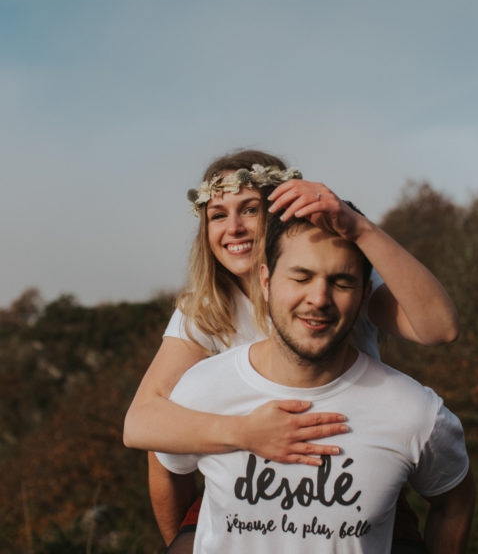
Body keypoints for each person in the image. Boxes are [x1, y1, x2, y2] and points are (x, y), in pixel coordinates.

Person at [123, 150, 460, 549]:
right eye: (217, 215)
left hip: (349, 479)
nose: (233, 227)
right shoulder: (206, 309)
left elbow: (440, 327)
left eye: (249, 209)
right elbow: (144, 423)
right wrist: (243, 434)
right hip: (248, 483)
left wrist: (362, 230)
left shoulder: (332, 284)